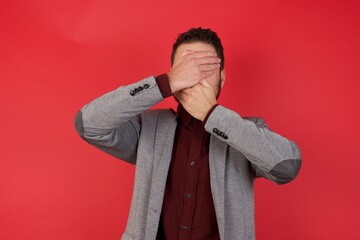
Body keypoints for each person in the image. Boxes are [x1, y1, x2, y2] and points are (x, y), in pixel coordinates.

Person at [74, 27, 301, 240]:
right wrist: (166, 82)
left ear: (222, 78)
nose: (196, 78)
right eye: (187, 69)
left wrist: (213, 114)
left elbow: (287, 167)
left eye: (206, 68)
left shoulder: (244, 131)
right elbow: (89, 124)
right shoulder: (148, 128)